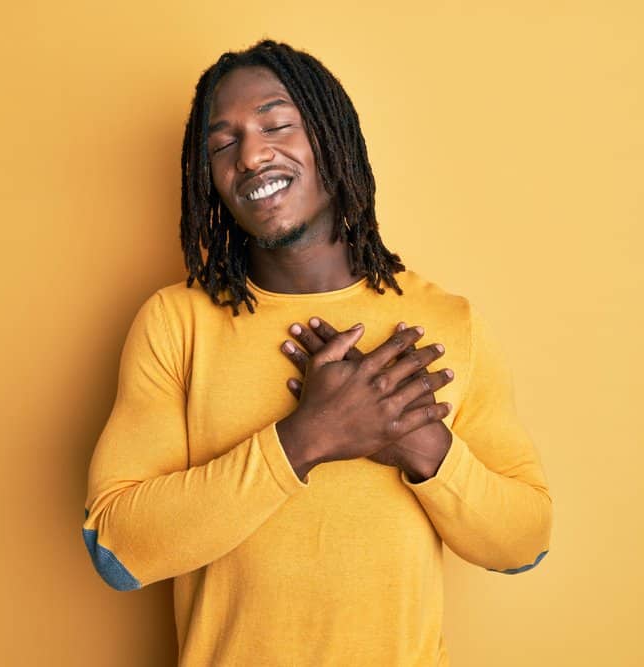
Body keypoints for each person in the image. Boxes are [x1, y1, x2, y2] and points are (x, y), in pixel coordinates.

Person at [82, 38, 552, 666]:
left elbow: (525, 543)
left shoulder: (446, 323)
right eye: (223, 144)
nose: (251, 155)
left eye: (276, 125)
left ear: (334, 142)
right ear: (210, 179)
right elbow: (116, 551)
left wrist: (419, 443)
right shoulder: (177, 323)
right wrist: (309, 437)